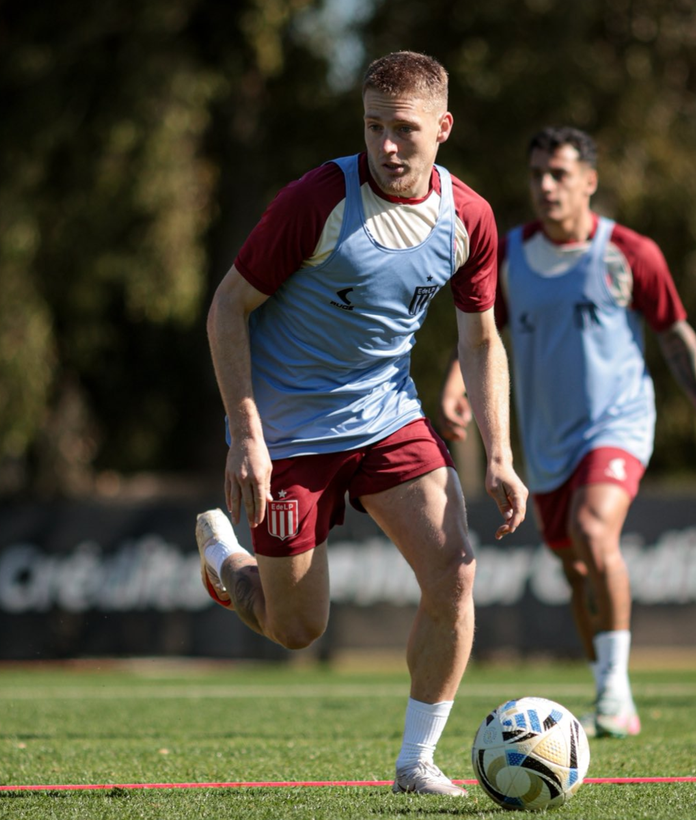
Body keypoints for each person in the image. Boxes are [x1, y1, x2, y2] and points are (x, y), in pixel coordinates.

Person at [196, 51, 527, 797]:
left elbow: (480, 341)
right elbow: (226, 309)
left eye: (404, 129)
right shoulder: (318, 200)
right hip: (287, 435)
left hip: (387, 417)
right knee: (297, 630)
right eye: (374, 127)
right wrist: (245, 432)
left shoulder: (468, 218)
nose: (386, 146)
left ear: (443, 127)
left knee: (455, 570)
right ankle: (226, 563)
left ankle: (416, 763)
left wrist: (501, 454)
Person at [439, 126, 696, 738]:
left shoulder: (630, 253)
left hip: (618, 424)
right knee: (575, 569)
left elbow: (675, 336)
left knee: (591, 529)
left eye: (559, 174)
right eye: (537, 174)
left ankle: (614, 695)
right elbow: (480, 332)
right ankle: (608, 695)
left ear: (589, 182)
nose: (546, 186)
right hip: (546, 443)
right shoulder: (509, 255)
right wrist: (456, 384)